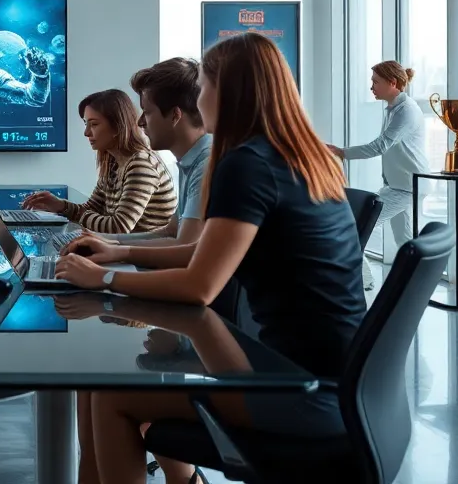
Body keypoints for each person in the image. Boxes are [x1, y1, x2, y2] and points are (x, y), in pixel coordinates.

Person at [53, 32, 366, 484]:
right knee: (103, 384)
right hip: (334, 380)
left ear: (228, 92)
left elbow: (199, 284)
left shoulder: (247, 164)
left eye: (204, 87)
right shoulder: (298, 156)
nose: (200, 99)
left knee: (109, 396)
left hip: (295, 387)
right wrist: (118, 253)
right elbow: (204, 249)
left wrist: (101, 279)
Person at [326, 60, 428, 290]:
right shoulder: (394, 109)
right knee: (405, 241)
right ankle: (415, 284)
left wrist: (342, 153)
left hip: (406, 187)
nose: (372, 87)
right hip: (399, 185)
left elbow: (379, 146)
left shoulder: (406, 111)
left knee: (355, 227)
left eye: (375, 82)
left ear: (393, 83)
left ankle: (364, 281)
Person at [22, 89, 176, 234]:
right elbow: (92, 209)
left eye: (94, 124)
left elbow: (119, 227)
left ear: (117, 127)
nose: (86, 132)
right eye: (85, 123)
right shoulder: (113, 162)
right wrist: (60, 206)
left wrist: (74, 214)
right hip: (123, 250)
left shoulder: (141, 165)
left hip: (142, 258)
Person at [115, 57, 212, 247]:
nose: (140, 122)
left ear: (175, 115)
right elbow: (171, 231)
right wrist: (105, 241)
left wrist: (115, 255)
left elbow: (184, 248)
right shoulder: (192, 160)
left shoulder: (207, 165)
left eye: (147, 112)